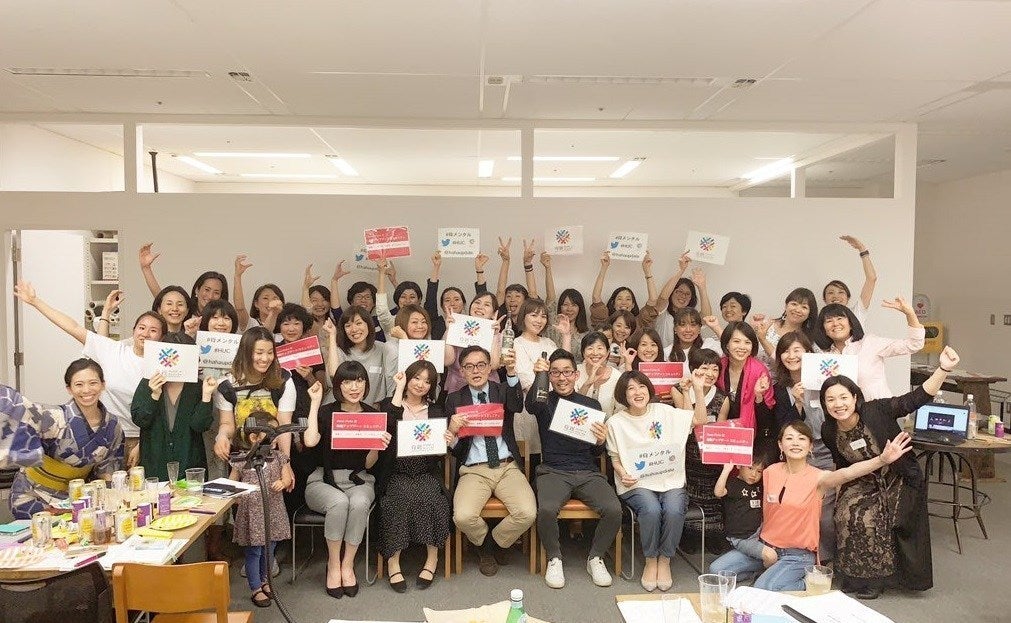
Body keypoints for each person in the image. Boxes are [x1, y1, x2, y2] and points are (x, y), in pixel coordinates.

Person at [819, 346, 959, 599]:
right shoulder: (829, 430)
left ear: (855, 397)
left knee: (870, 517)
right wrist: (839, 491)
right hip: (861, 479)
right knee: (843, 514)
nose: (838, 404)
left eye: (843, 397)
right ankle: (853, 575)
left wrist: (943, 369)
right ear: (824, 404)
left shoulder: (875, 411)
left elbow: (914, 399)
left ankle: (876, 579)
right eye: (831, 399)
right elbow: (842, 465)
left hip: (896, 478)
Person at [709, 420, 914, 592]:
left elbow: (847, 473)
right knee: (716, 571)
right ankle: (769, 572)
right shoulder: (770, 472)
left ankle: (811, 583)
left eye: (801, 439)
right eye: (789, 438)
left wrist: (881, 459)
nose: (795, 443)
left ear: (810, 447)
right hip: (765, 547)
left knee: (764, 588)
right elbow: (741, 479)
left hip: (796, 555)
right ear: (780, 445)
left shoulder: (818, 478)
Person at [14, 280, 165, 468]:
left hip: (144, 439)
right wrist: (35, 301)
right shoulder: (113, 350)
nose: (146, 333)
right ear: (134, 330)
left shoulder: (162, 365)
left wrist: (143, 442)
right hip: (107, 434)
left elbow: (163, 411)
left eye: (153, 330)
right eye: (141, 328)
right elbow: (73, 327)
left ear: (161, 337)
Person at [526, 350, 621, 589]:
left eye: (567, 372)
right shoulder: (544, 401)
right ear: (549, 376)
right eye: (555, 373)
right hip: (553, 470)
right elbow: (531, 405)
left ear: (576, 375)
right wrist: (539, 376)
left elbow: (596, 452)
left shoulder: (591, 405)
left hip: (587, 471)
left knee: (613, 509)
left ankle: (595, 557)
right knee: (546, 509)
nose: (562, 378)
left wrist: (600, 441)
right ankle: (554, 558)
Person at [606, 370, 707, 592]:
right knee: (651, 510)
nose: (637, 392)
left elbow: (698, 420)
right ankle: (651, 560)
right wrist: (622, 473)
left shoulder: (664, 411)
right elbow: (615, 457)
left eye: (641, 386)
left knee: (673, 509)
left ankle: (665, 560)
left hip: (670, 480)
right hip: (636, 483)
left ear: (649, 389)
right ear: (623, 394)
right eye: (631, 388)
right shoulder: (615, 422)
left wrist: (698, 390)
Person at [444, 345, 535, 577]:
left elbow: (517, 405)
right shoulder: (454, 399)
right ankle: (486, 547)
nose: (476, 371)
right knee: (462, 516)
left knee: (527, 513)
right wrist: (452, 432)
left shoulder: (502, 390)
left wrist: (512, 372)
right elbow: (454, 449)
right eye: (469, 366)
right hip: (473, 470)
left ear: (489, 368)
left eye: (481, 365)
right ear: (462, 371)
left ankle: (493, 545)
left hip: (507, 466)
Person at [304, 361, 390, 598]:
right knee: (339, 502)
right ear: (338, 386)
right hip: (323, 480)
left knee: (359, 503)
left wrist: (377, 445)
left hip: (359, 479)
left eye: (359, 381)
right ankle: (333, 564)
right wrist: (314, 403)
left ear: (366, 384)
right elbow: (309, 441)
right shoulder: (326, 412)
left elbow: (368, 465)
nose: (354, 387)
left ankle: (347, 564)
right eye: (347, 382)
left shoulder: (373, 416)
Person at [2, 359, 124, 519]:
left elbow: (107, 471)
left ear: (103, 384)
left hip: (77, 501)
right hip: (34, 495)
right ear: (69, 389)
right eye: (79, 384)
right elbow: (20, 413)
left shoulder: (113, 425)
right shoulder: (53, 417)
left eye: (93, 383)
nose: (86, 390)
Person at [377, 363, 452, 592]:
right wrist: (399, 389)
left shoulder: (436, 410)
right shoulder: (389, 404)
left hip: (425, 470)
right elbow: (389, 423)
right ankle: (393, 561)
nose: (421, 385)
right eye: (417, 378)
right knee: (398, 500)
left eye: (428, 381)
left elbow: (439, 453)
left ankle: (432, 558)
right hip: (396, 471)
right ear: (408, 378)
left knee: (433, 499)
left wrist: (446, 441)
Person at [772, 331, 837, 559]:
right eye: (785, 351)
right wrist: (798, 405)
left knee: (824, 512)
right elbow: (783, 427)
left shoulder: (825, 383)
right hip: (796, 455)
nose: (791, 356)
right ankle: (798, 555)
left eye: (797, 350)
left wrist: (806, 401)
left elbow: (825, 424)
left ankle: (824, 558)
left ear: (809, 353)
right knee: (797, 507)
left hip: (825, 451)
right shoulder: (779, 388)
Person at [212, 327, 297, 500]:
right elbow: (227, 424)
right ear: (246, 352)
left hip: (274, 456)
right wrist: (221, 436)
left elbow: (284, 424)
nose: (265, 359)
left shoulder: (283, 380)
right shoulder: (227, 384)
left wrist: (286, 463)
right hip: (242, 456)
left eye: (270, 353)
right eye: (259, 353)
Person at [229, 411, 294, 608]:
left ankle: (266, 581)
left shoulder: (279, 457)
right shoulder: (242, 460)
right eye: (271, 433)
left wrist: (282, 482)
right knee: (253, 552)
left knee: (269, 550)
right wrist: (236, 497)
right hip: (252, 515)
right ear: (254, 437)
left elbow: (287, 478)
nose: (275, 438)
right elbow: (231, 484)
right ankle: (255, 587)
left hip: (272, 512)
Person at [131, 333, 217, 481]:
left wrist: (206, 396)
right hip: (155, 466)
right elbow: (139, 419)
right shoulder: (148, 383)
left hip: (190, 467)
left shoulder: (198, 386)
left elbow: (200, 426)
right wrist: (154, 395)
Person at [676, 349, 730, 553]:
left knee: (713, 498)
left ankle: (713, 534)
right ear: (693, 369)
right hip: (686, 456)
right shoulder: (679, 389)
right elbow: (691, 422)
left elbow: (720, 430)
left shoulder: (723, 398)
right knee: (690, 496)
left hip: (711, 456)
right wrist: (695, 390)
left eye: (715, 369)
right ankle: (689, 534)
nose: (710, 373)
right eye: (704, 368)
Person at [814, 299, 925, 400]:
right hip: (843, 413)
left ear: (851, 324)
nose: (835, 324)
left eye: (840, 318)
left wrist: (910, 314)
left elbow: (914, 344)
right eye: (829, 321)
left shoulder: (870, 342)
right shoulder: (824, 357)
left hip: (878, 410)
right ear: (824, 330)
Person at [512, 298, 571, 455]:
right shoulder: (516, 344)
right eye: (534, 315)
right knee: (533, 455)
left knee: (554, 451)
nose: (539, 320)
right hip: (531, 407)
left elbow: (565, 364)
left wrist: (566, 336)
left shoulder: (549, 342)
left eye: (543, 316)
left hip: (554, 405)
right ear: (523, 317)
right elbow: (527, 382)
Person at [713, 448, 776, 577]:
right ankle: (760, 569)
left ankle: (760, 570)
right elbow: (718, 492)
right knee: (716, 572)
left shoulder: (760, 486)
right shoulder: (733, 483)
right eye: (750, 468)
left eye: (759, 471)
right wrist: (726, 470)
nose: (754, 474)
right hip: (742, 539)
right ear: (739, 466)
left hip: (760, 536)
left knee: (771, 555)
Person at [323, 306, 398, 405]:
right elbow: (334, 375)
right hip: (339, 409)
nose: (354, 329)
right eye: (348, 326)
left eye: (358, 323)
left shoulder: (383, 349)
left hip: (369, 410)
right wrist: (332, 335)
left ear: (369, 325)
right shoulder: (339, 351)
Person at [716, 322, 776, 440]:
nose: (742, 347)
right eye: (736, 341)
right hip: (719, 431)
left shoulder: (759, 370)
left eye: (747, 342)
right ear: (727, 344)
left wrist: (759, 396)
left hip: (752, 434)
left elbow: (767, 415)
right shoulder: (718, 366)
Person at [138, 242, 229, 316]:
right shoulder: (185, 313)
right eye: (207, 290)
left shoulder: (222, 319)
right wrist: (146, 269)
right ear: (197, 290)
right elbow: (161, 297)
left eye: (216, 292)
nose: (210, 296)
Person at [589, 251, 659, 332]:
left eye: (628, 299)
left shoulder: (639, 323)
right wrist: (604, 267)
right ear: (613, 304)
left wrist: (647, 270)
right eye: (619, 299)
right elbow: (596, 297)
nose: (624, 302)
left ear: (633, 305)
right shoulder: (605, 322)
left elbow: (653, 300)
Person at [752, 287, 819, 371]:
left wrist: (763, 339)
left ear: (810, 313)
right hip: (754, 375)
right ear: (786, 305)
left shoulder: (809, 339)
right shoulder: (767, 325)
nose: (798, 310)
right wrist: (751, 329)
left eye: (804, 307)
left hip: (783, 379)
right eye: (794, 304)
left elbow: (785, 363)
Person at [823, 235, 877, 326]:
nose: (836, 296)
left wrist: (862, 249)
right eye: (830, 293)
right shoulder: (820, 321)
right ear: (824, 299)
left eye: (841, 292)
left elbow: (871, 279)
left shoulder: (856, 313)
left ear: (848, 298)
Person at [575, 332, 622, 416]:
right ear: (583, 353)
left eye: (600, 348)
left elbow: (620, 411)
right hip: (576, 421)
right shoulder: (575, 372)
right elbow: (570, 405)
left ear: (608, 352)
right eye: (590, 348)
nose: (595, 353)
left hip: (606, 423)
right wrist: (587, 384)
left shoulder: (617, 377)